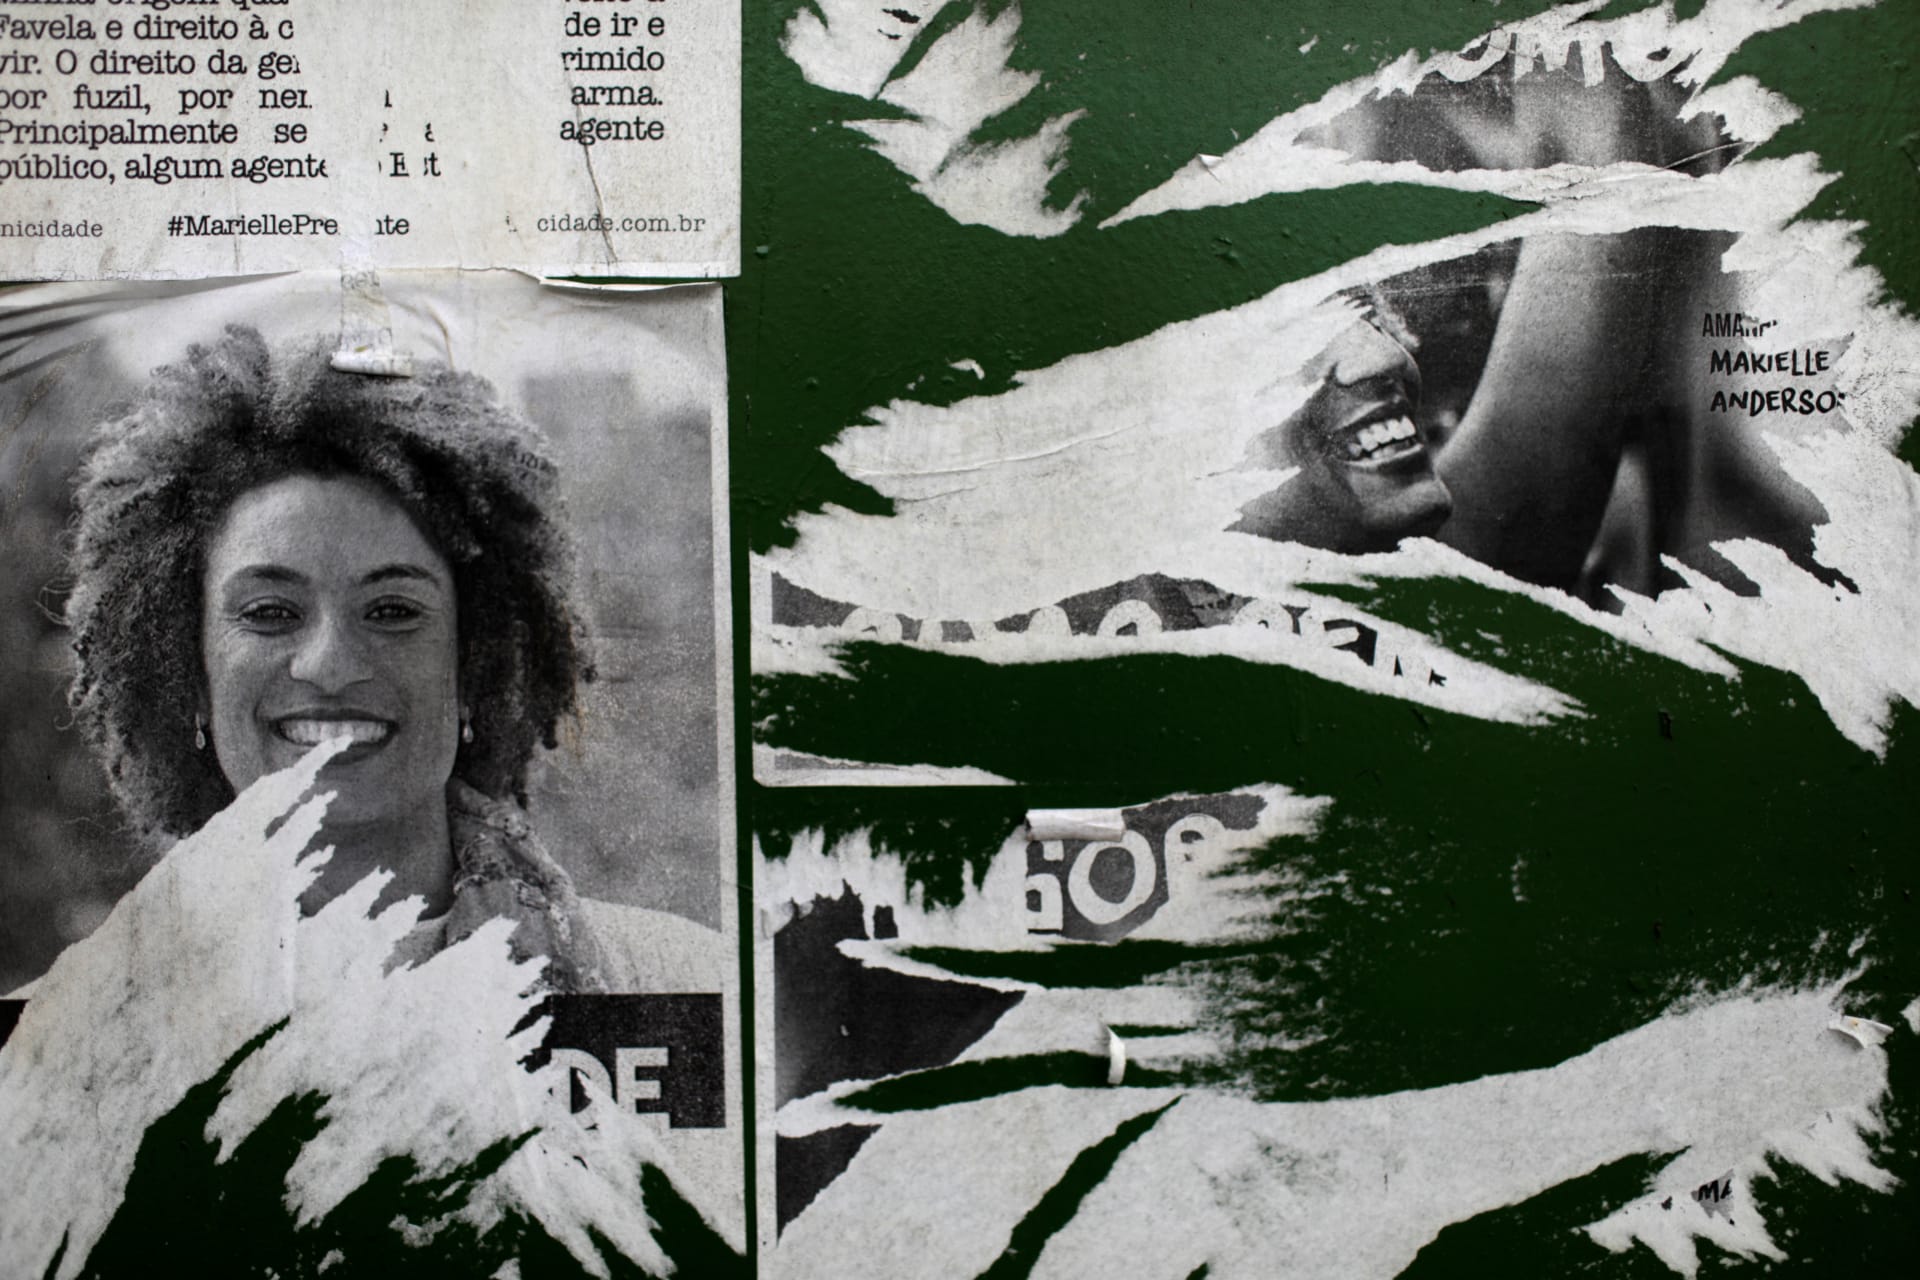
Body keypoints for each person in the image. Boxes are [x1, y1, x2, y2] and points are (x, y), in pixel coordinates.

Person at [61, 326, 613, 993]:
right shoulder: (56, 1034)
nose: (329, 665)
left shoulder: (672, 977)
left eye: (392, 611)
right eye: (270, 613)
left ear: (474, 666)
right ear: (190, 676)